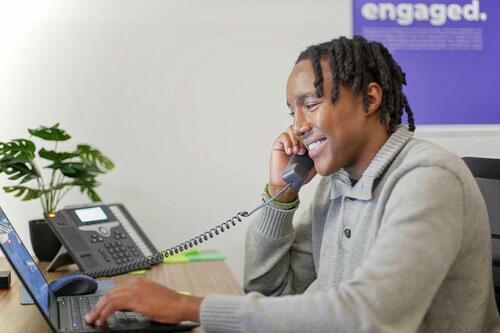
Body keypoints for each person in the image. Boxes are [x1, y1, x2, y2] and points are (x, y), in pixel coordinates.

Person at [85, 36, 500, 332]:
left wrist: (188, 306)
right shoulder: (333, 183)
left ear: (371, 100)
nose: (297, 127)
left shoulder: (429, 179)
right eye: (292, 111)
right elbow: (269, 292)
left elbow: (373, 317)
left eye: (311, 104)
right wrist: (280, 197)